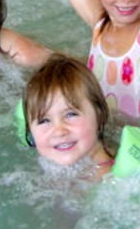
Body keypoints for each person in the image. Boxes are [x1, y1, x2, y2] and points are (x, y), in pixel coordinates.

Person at [23, 53, 114, 181]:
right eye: (44, 120)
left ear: (99, 114)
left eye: (70, 114)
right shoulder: (55, 165)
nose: (59, 131)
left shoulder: (109, 178)